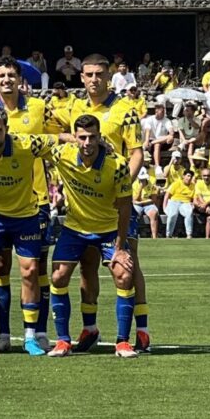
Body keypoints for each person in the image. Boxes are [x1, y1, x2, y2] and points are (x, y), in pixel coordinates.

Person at [50, 53, 149, 353]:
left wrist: (120, 190)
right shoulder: (75, 106)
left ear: (109, 77)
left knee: (127, 262)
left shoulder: (126, 110)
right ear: (81, 77)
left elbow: (136, 153)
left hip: (115, 199)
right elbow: (68, 137)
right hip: (85, 206)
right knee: (86, 265)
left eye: (99, 74)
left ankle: (142, 329)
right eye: (89, 74)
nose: (94, 79)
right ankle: (89, 327)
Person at [0, 106, 63, 356]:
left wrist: (90, 139)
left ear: (7, 129)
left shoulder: (26, 144)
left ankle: (29, 336)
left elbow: (58, 140)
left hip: (25, 217)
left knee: (30, 271)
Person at [0, 56, 62, 352]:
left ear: (20, 78)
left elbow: (60, 136)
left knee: (35, 270)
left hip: (35, 200)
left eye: (11, 75)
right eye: (1, 75)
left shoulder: (38, 108)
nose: (6, 80)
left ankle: (37, 332)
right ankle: (1, 334)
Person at [45, 115, 138, 358]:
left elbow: (125, 206)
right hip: (75, 229)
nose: (87, 142)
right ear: (75, 138)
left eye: (92, 137)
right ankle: (63, 341)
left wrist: (120, 247)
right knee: (58, 276)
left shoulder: (116, 164)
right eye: (82, 137)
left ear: (100, 137)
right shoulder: (62, 155)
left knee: (124, 274)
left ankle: (122, 342)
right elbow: (38, 141)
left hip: (107, 229)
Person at [142, 102, 175, 172]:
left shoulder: (167, 120)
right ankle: (157, 166)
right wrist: (147, 141)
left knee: (170, 137)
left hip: (163, 142)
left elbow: (171, 132)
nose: (164, 113)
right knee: (157, 144)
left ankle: (157, 166)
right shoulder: (149, 119)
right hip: (152, 141)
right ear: (156, 111)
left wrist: (171, 131)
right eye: (162, 111)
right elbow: (148, 131)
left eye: (164, 111)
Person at [164, 169, 196, 238]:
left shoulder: (193, 186)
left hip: (186, 203)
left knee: (189, 212)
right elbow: (167, 195)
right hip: (174, 201)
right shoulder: (176, 183)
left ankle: (189, 234)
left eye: (191, 176)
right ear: (183, 176)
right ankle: (168, 235)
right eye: (188, 176)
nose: (189, 178)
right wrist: (164, 207)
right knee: (172, 215)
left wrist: (193, 204)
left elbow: (195, 197)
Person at [132, 167, 160, 239]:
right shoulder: (134, 184)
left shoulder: (151, 185)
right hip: (137, 205)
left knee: (153, 213)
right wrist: (140, 188)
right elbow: (135, 199)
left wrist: (141, 202)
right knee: (134, 214)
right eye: (141, 179)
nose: (142, 180)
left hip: (148, 204)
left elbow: (153, 199)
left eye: (144, 179)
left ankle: (154, 236)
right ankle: (133, 235)